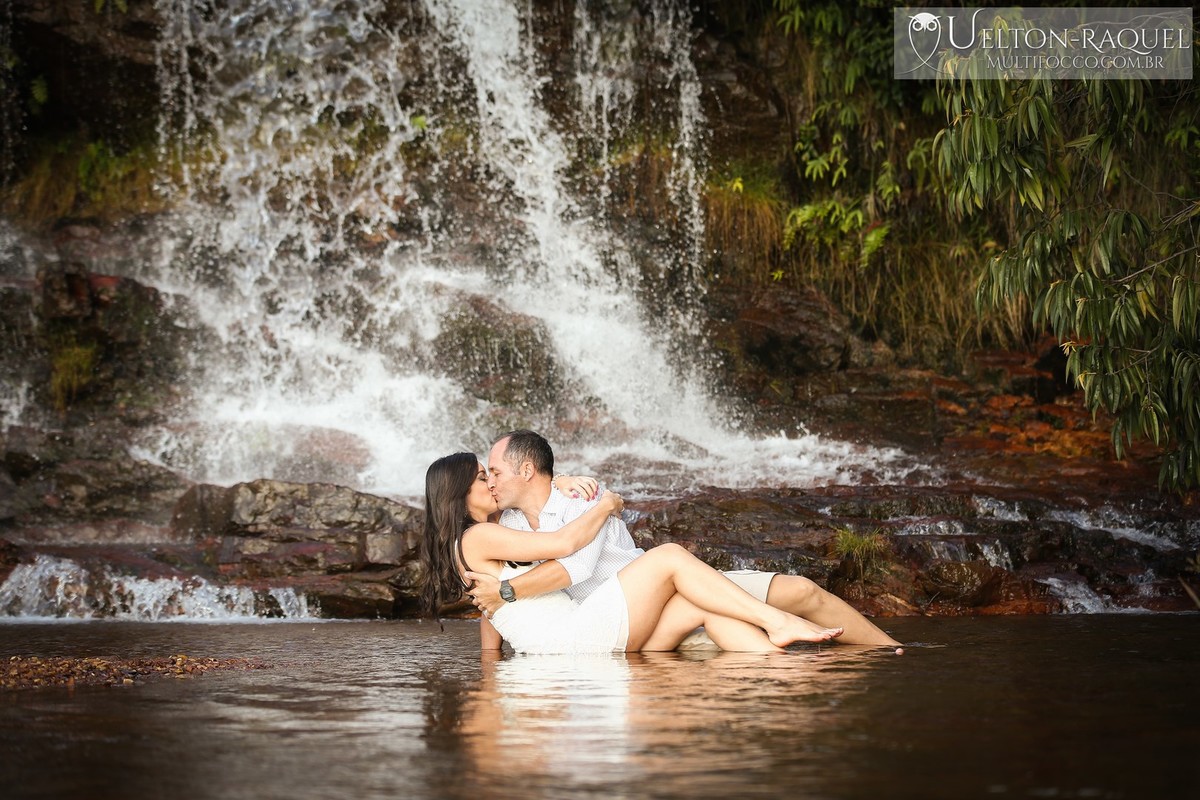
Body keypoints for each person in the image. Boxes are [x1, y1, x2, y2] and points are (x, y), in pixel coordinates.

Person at [468, 430, 902, 649]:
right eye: (486, 476)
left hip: (665, 589)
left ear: (527, 471)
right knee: (724, 619)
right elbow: (493, 583)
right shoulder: (508, 526)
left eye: (496, 472)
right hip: (626, 620)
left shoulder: (583, 496)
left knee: (802, 589)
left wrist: (506, 591)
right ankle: (781, 639)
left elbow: (574, 566)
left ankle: (889, 649)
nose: (490, 481)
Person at [420, 452, 845, 654]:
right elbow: (564, 546)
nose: (492, 483)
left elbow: (491, 611)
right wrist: (605, 504)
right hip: (577, 637)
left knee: (705, 607)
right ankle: (777, 621)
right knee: (669, 556)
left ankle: (791, 668)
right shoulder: (477, 539)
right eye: (482, 477)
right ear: (459, 493)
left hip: (579, 644)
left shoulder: (490, 533)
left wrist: (492, 666)